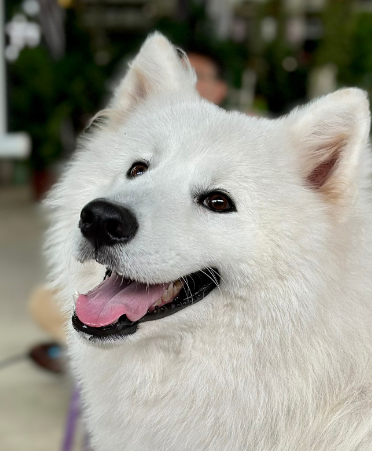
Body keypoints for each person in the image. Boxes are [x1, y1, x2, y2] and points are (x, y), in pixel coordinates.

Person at [28, 47, 231, 374]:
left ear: (220, 89)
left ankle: (65, 352)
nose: (183, 81)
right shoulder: (159, 125)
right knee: (44, 300)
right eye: (138, 169)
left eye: (197, 74)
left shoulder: (259, 142)